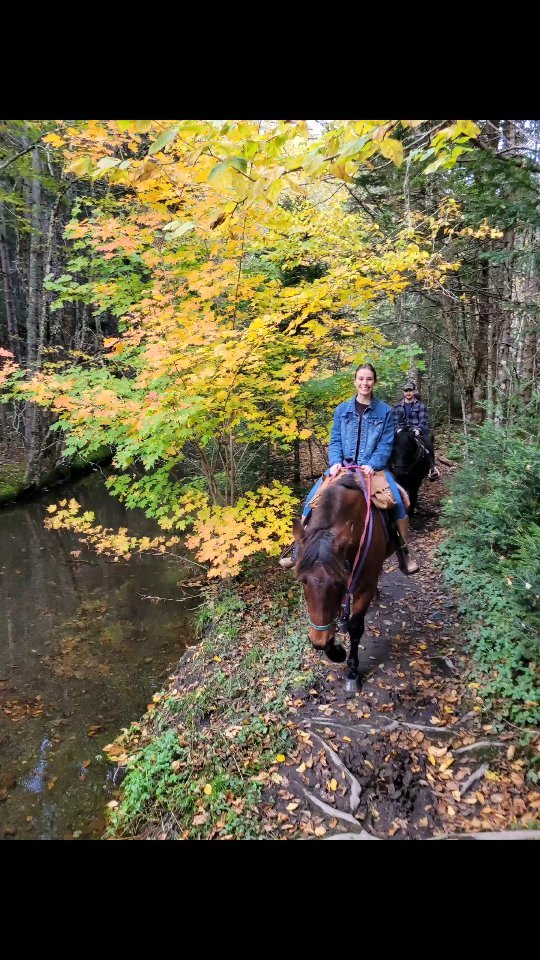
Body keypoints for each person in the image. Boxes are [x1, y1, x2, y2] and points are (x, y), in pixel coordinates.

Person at [280, 363, 419, 574]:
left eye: (369, 379)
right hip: (343, 467)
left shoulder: (385, 411)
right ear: (355, 381)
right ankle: (298, 549)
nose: (365, 383)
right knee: (312, 499)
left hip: (373, 469)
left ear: (374, 381)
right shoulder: (342, 410)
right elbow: (335, 439)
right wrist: (335, 461)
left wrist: (372, 464)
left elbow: (386, 443)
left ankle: (404, 549)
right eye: (361, 378)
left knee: (398, 501)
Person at [393, 381, 439, 480]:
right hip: (401, 431)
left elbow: (423, 420)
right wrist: (397, 429)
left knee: (427, 443)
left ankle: (432, 468)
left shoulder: (421, 405)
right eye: (406, 391)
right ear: (403, 392)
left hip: (415, 430)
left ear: (414, 392)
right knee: (389, 443)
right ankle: (387, 467)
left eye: (410, 390)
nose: (408, 393)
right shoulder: (397, 406)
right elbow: (394, 420)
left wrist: (418, 429)